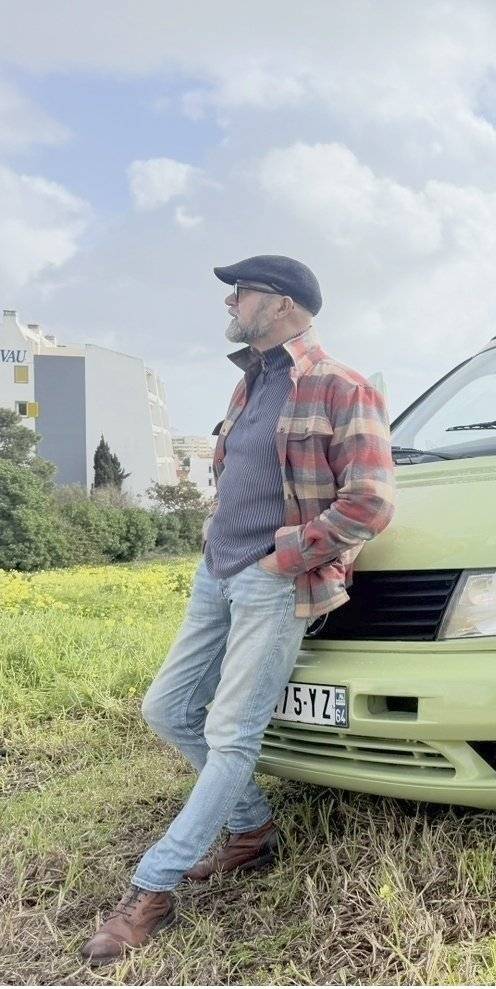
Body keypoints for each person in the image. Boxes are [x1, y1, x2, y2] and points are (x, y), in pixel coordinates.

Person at [80, 256, 396, 966]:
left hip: (274, 581)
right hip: (215, 574)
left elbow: (371, 500)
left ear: (281, 304)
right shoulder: (250, 382)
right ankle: (251, 827)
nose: (231, 299)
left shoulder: (342, 385)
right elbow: (241, 479)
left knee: (231, 732)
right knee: (166, 709)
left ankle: (149, 889)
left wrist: (286, 555)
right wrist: (215, 536)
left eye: (242, 290)